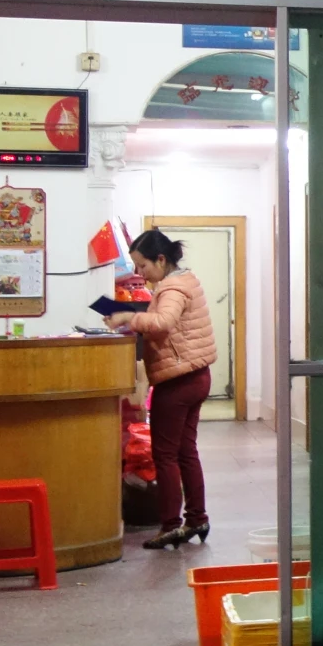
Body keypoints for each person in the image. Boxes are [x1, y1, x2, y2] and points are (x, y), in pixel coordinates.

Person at [108, 229, 218, 550]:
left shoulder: (171, 288)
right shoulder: (186, 280)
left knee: (165, 455)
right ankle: (197, 518)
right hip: (196, 374)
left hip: (178, 379)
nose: (140, 274)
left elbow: (164, 323)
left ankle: (170, 525)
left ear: (161, 259)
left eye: (143, 267)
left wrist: (130, 316)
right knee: (186, 452)